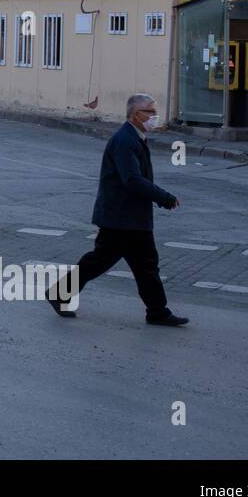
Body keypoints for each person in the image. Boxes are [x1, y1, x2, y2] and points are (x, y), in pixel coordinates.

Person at [49, 93, 188, 327]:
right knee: (102, 261)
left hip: (129, 217)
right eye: (150, 112)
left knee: (144, 264)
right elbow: (132, 179)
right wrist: (164, 197)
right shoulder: (125, 140)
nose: (154, 117)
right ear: (136, 115)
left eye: (155, 112)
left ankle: (157, 311)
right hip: (121, 217)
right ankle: (60, 293)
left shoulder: (135, 137)